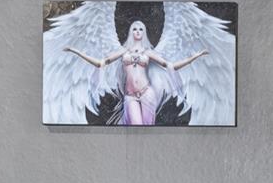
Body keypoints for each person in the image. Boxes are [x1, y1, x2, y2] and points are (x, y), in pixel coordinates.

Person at [64, 19, 208, 125]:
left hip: (147, 93)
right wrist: (76, 51)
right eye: (134, 29)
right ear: (131, 31)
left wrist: (195, 56)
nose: (137, 31)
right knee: (136, 125)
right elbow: (101, 63)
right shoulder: (123, 51)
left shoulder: (148, 52)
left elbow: (171, 66)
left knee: (147, 127)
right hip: (130, 96)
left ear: (144, 32)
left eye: (140, 29)